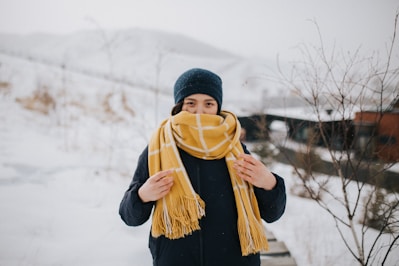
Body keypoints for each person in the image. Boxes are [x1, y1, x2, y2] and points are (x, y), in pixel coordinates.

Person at [119, 68, 286, 266]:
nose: (199, 111)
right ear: (179, 106)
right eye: (191, 103)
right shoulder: (159, 148)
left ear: (218, 107)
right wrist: (142, 196)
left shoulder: (235, 148)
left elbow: (272, 213)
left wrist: (269, 183)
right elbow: (129, 216)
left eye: (208, 103)